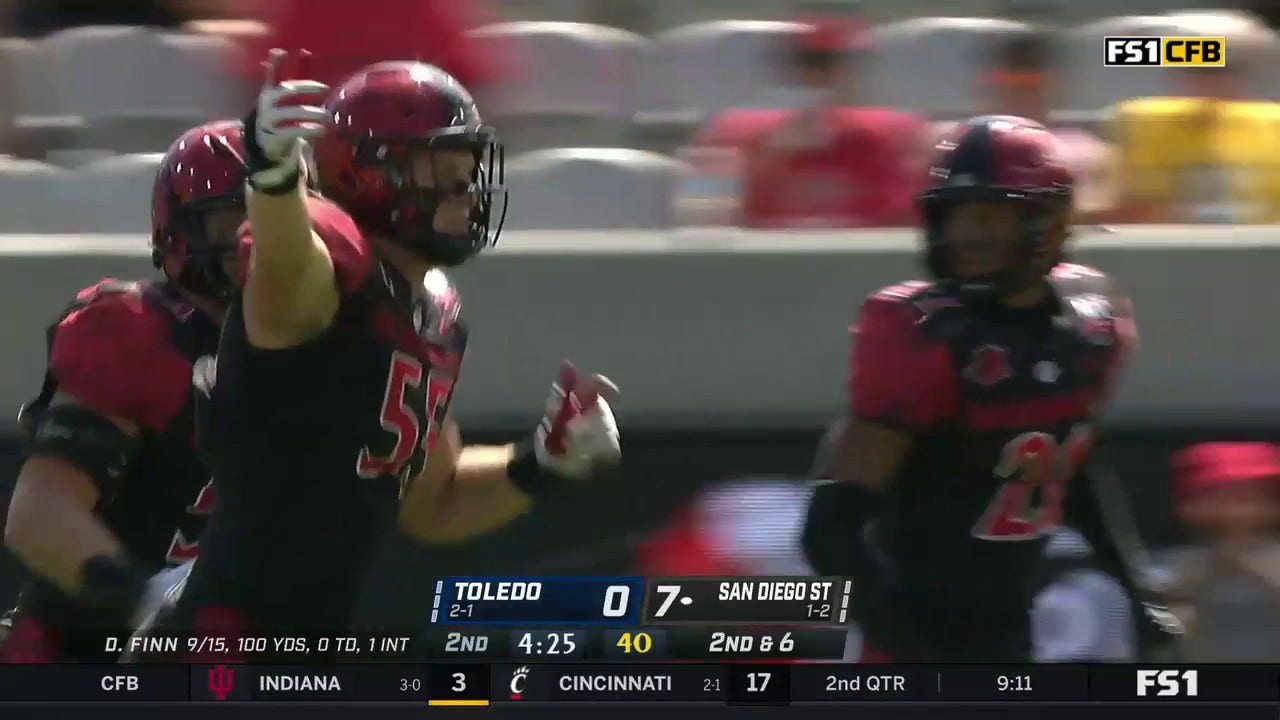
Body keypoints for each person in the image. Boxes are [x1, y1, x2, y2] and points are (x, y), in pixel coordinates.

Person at [142, 52, 621, 663]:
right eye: (439, 169)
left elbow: (434, 501)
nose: (465, 191)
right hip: (218, 639)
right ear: (367, 174)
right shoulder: (326, 269)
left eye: (466, 167)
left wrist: (542, 462)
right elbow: (287, 260)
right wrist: (273, 179)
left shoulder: (434, 311)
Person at [800, 115, 1175, 662]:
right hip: (916, 634)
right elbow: (830, 535)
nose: (969, 235)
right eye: (956, 215)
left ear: (1047, 221)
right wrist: (919, 655)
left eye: (991, 216)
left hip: (1009, 632)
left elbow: (1062, 464)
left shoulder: (1090, 319)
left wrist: (1135, 588)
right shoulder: (923, 332)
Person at [0, 120, 248, 662]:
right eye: (237, 221)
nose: (260, 243)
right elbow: (39, 516)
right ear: (182, 233)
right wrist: (148, 602)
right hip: (81, 658)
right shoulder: (140, 331)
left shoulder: (329, 345)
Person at [676, 16, 923, 228]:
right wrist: (768, 159)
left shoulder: (895, 133)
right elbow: (699, 222)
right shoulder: (728, 134)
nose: (815, 75)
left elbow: (910, 223)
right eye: (805, 61)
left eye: (829, 62)